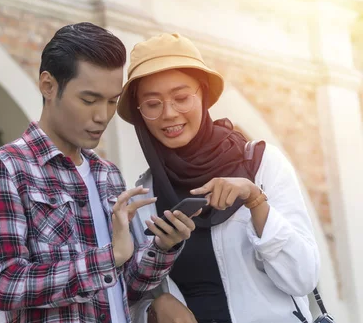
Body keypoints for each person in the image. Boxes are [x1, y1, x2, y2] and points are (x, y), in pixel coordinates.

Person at [0, 23, 197, 323]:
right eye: (89, 100)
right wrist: (107, 258)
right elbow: (4, 284)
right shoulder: (7, 167)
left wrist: (163, 246)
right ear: (48, 86)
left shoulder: (108, 175)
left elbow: (124, 287)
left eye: (112, 101)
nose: (102, 116)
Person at [117, 33, 320, 323]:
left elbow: (303, 278)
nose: (169, 114)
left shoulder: (262, 164)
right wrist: (154, 307)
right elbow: (131, 298)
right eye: (152, 104)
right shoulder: (144, 198)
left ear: (202, 95)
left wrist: (255, 200)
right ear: (140, 114)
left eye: (181, 97)